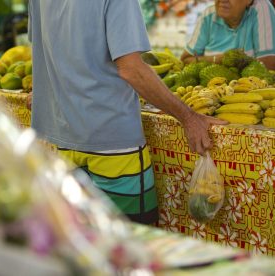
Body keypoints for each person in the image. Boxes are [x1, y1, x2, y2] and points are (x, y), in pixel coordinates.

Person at [27, 0, 228, 225]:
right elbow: (131, 69)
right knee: (134, 237)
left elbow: (45, 49)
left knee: (85, 236)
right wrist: (189, 118)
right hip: (112, 141)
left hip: (61, 140)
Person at [181, 0, 275, 72]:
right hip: (214, 94)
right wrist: (218, 59)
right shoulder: (209, 15)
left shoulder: (261, 8)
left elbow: (268, 66)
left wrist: (207, 61)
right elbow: (186, 59)